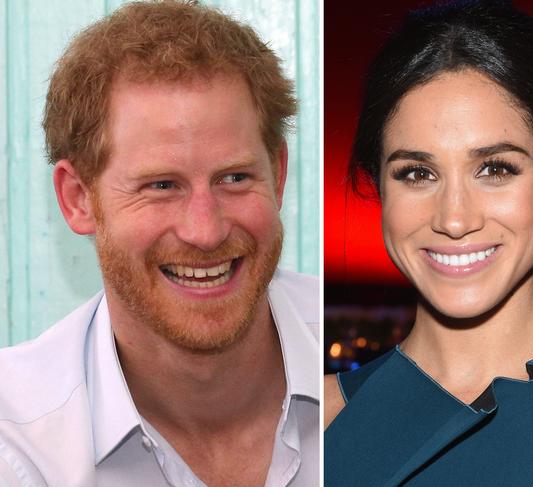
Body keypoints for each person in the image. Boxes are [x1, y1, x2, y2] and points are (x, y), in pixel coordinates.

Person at [324, 2, 533, 486]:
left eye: (495, 169)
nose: (455, 219)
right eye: (418, 173)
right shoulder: (310, 423)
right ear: (381, 188)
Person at [0, 1, 318, 486]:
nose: (205, 230)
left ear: (278, 174)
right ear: (78, 199)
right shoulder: (18, 443)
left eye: (234, 177)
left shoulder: (376, 376)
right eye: (161, 186)